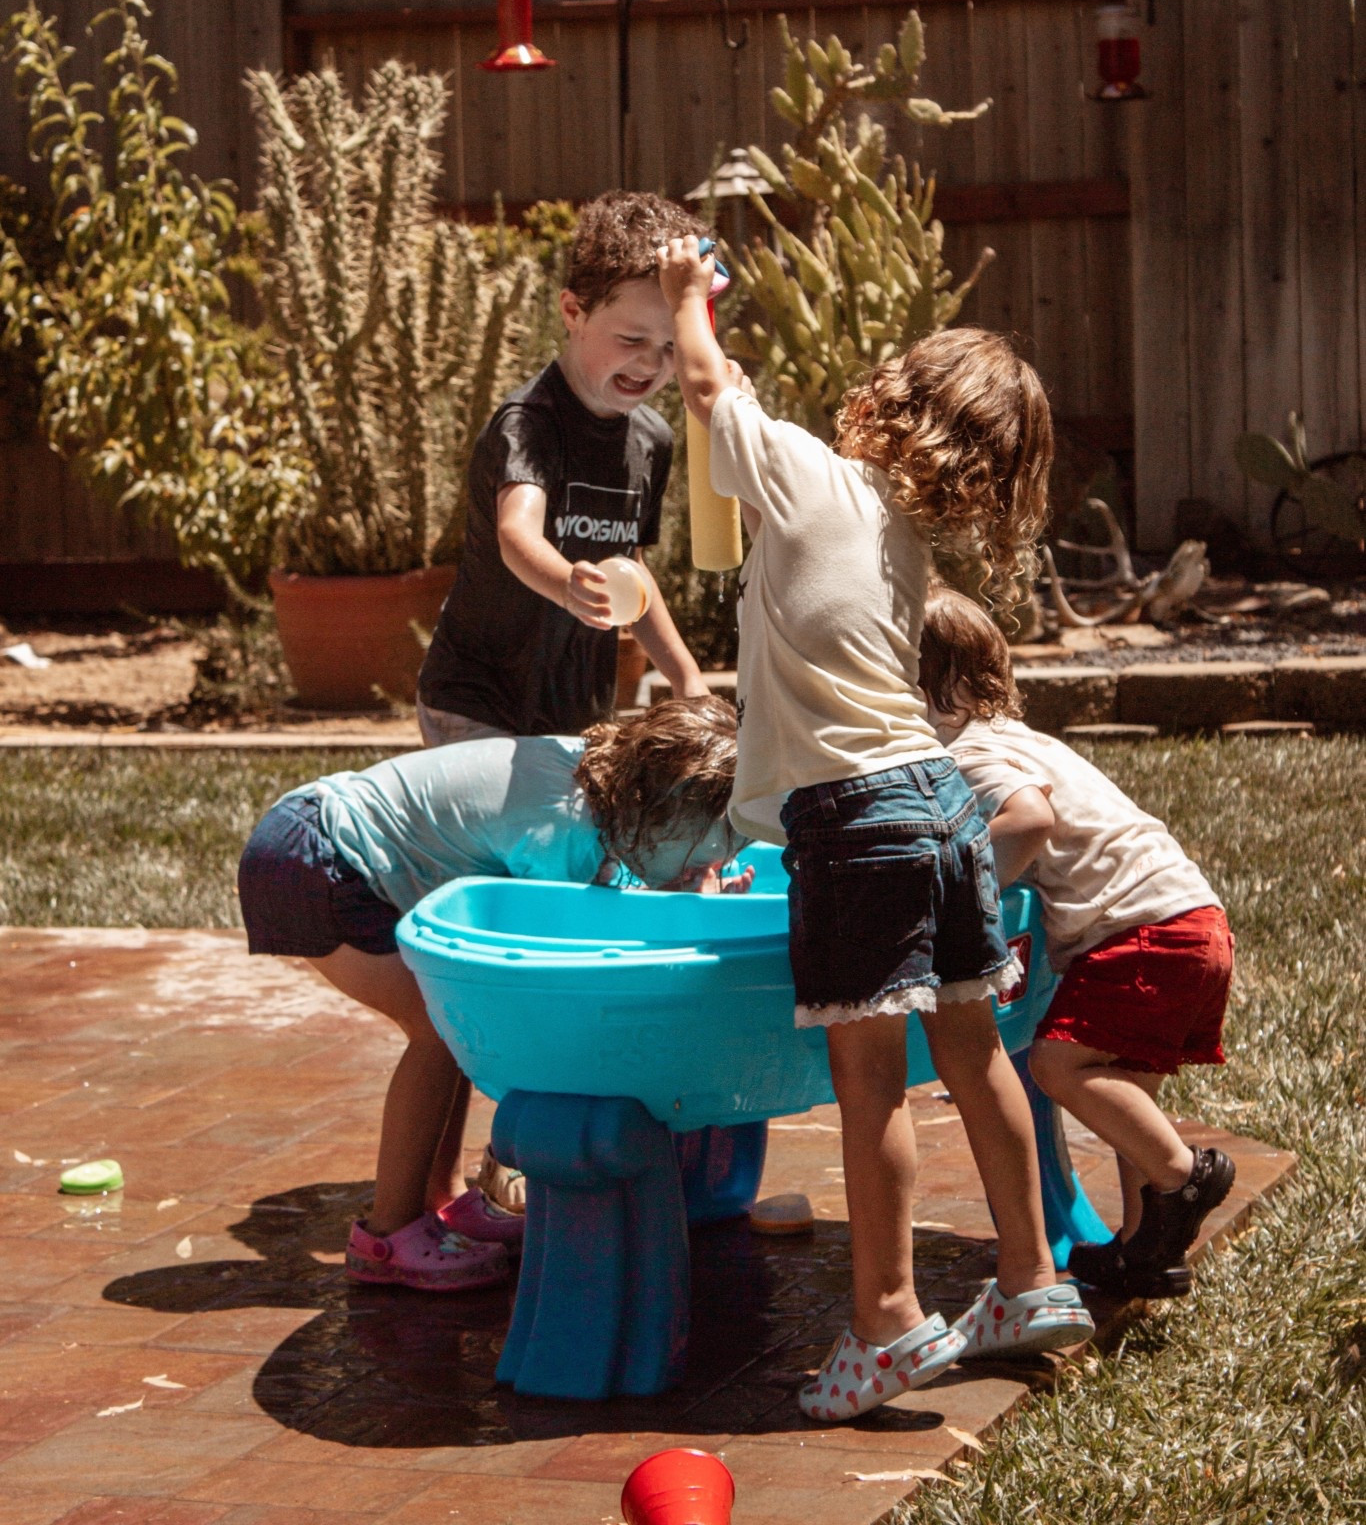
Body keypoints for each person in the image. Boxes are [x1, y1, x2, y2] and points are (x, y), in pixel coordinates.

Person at [658, 240, 1093, 1423]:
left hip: (857, 821)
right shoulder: (897, 534)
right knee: (973, 1048)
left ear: (893, 398)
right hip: (940, 806)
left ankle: (889, 1319)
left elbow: (704, 391)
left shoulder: (808, 474)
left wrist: (688, 292)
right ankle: (1029, 1277)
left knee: (869, 1086)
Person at [237, 696, 742, 1294]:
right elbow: (585, 953)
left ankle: (437, 1199)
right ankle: (384, 1238)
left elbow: (620, 884)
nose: (711, 861)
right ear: (661, 812)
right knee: (439, 1030)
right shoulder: (562, 833)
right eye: (704, 851)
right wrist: (690, 914)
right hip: (310, 862)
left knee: (452, 1025)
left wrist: (681, 890)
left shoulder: (604, 777)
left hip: (316, 836)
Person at [918, 585, 1236, 1300]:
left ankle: (1186, 1178)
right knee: (1124, 1083)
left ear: (921, 686)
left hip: (1140, 932)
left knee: (1059, 1068)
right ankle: (1146, 1249)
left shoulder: (970, 753)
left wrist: (957, 887)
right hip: (1192, 917)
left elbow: (1029, 823)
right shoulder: (1023, 738)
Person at [417, 192, 711, 748]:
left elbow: (633, 571)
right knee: (502, 836)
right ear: (574, 313)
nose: (651, 363)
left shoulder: (652, 440)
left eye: (672, 346)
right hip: (480, 697)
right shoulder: (529, 422)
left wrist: (685, 675)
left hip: (574, 702)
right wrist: (567, 585)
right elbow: (515, 535)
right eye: (632, 339)